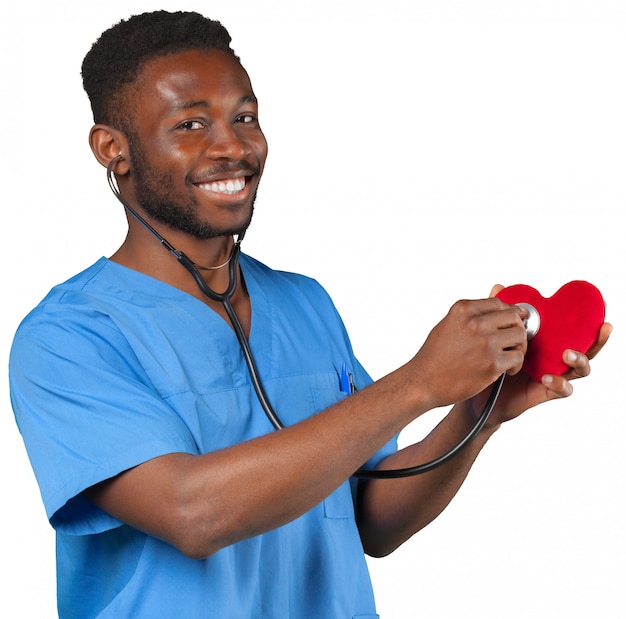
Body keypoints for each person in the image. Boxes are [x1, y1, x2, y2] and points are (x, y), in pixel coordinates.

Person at [8, 10, 611, 619]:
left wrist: (476, 415)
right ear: (113, 149)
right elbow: (192, 513)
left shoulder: (305, 303)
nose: (232, 146)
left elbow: (373, 521)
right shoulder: (68, 336)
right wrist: (419, 383)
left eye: (245, 117)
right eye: (190, 123)